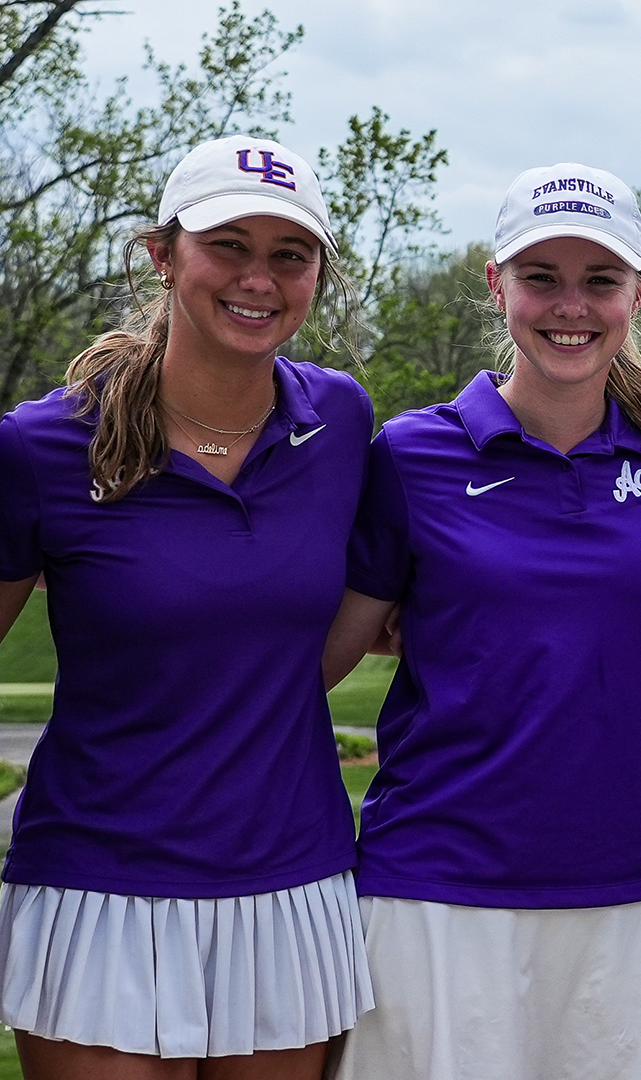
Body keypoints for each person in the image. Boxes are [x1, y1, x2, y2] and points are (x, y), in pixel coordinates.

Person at [0, 134, 373, 1077]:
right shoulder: (43, 446)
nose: (259, 279)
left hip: (292, 880)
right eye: (228, 245)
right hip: (98, 887)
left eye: (290, 254)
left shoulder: (341, 422)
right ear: (162, 256)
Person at [322, 163, 641, 1080]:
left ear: (640, 292)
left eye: (600, 280)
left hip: (622, 885)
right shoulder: (411, 454)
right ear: (497, 284)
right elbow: (321, 655)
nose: (571, 306)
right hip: (435, 887)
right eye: (541, 277)